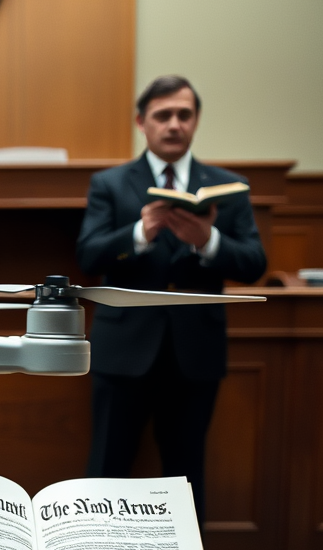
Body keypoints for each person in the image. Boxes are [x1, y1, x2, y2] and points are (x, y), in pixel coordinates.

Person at [76, 76, 267, 525]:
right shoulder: (111, 183)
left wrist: (209, 240)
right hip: (123, 351)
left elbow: (254, 263)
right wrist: (141, 232)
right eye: (163, 115)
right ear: (142, 122)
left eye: (184, 114)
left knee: (186, 476)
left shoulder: (227, 187)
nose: (175, 124)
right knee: (107, 470)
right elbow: (88, 256)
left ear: (196, 120)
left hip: (195, 352)